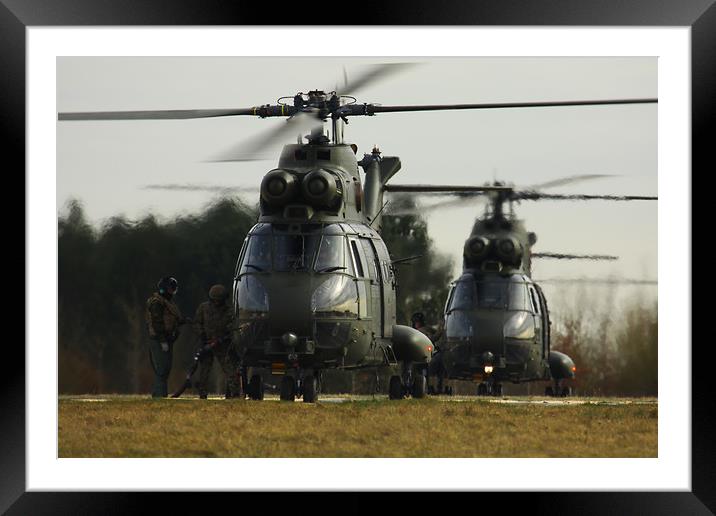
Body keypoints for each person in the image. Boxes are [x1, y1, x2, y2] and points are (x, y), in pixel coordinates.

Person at [193, 284, 241, 399]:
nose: (216, 303)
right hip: (206, 343)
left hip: (223, 345)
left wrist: (225, 337)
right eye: (214, 300)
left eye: (218, 301)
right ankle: (202, 393)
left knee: (229, 369)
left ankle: (234, 393)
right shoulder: (203, 308)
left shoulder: (229, 311)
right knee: (204, 369)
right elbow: (197, 323)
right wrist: (202, 335)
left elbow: (234, 326)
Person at [145, 276, 185, 398]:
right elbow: (157, 322)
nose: (172, 292)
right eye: (170, 289)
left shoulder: (167, 302)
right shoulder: (156, 302)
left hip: (167, 339)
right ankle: (160, 395)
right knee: (161, 369)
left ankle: (159, 394)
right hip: (159, 340)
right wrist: (162, 341)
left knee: (165, 369)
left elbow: (172, 319)